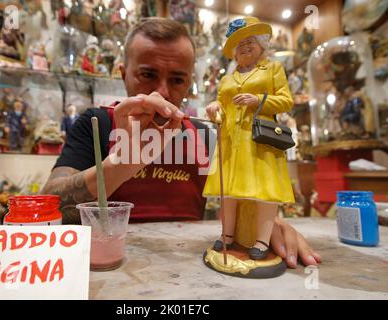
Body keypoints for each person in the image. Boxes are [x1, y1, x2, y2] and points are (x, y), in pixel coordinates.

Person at [41, 18, 321, 268]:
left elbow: (230, 202)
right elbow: (43, 211)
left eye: (177, 80)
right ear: (122, 72)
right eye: (148, 75)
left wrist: (264, 225)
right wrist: (121, 162)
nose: (162, 91)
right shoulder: (97, 123)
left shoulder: (207, 135)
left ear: (190, 83)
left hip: (193, 275)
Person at [203, 17, 296, 260]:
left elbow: (286, 101)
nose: (245, 46)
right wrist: (214, 108)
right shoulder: (226, 79)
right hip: (231, 142)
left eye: (250, 41)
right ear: (233, 52)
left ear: (262, 44)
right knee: (229, 192)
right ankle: (227, 235)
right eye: (239, 43)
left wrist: (260, 101)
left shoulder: (273, 69)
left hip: (260, 141)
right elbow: (222, 107)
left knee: (265, 193)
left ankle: (262, 241)